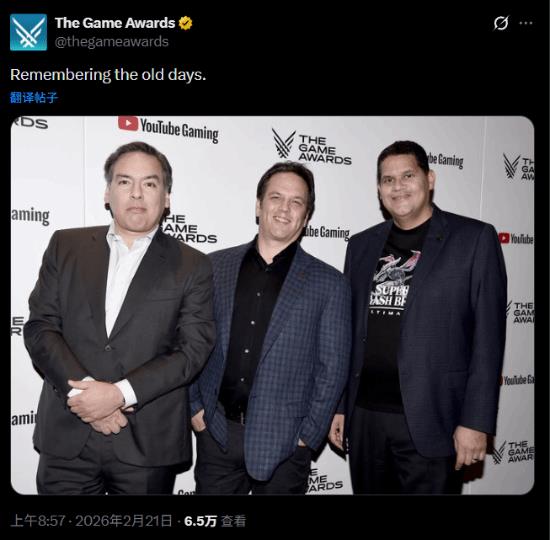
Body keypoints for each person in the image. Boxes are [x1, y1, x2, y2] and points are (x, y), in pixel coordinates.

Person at [24, 141, 216, 494]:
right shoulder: (66, 246)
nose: (137, 193)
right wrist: (85, 396)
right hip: (67, 437)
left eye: (150, 183)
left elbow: (193, 350)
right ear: (107, 192)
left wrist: (118, 395)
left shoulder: (193, 265)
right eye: (125, 181)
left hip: (147, 444)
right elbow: (41, 328)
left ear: (167, 197)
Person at [329, 140, 507, 494]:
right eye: (388, 179)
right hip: (365, 419)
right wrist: (340, 405)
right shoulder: (360, 245)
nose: (398, 187)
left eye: (408, 176)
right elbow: (347, 333)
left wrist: (476, 421)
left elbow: (488, 339)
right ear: (379, 189)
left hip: (434, 420)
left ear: (430, 178)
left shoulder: (473, 239)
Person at [189, 161, 351, 494]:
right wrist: (195, 409)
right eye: (276, 197)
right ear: (258, 205)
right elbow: (190, 342)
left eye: (296, 202)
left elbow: (333, 368)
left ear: (306, 216)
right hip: (217, 433)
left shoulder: (330, 284)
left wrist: (308, 435)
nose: (284, 208)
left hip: (286, 444)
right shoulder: (214, 267)